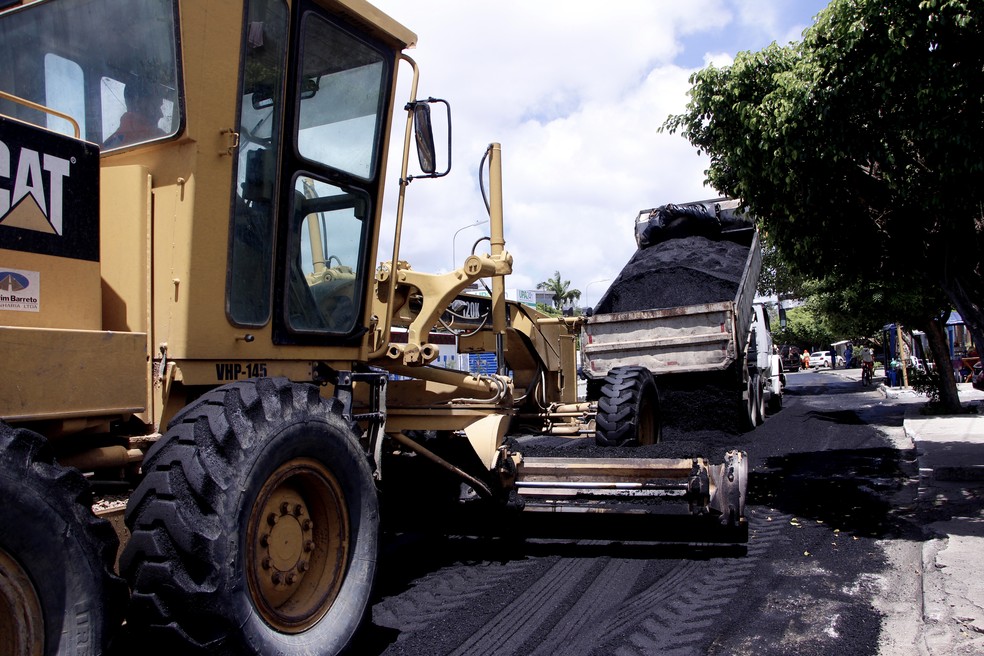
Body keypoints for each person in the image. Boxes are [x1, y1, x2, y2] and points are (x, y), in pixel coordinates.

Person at [104, 80, 165, 148]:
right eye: (155, 107)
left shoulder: (108, 147)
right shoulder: (164, 141)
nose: (161, 115)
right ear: (138, 104)